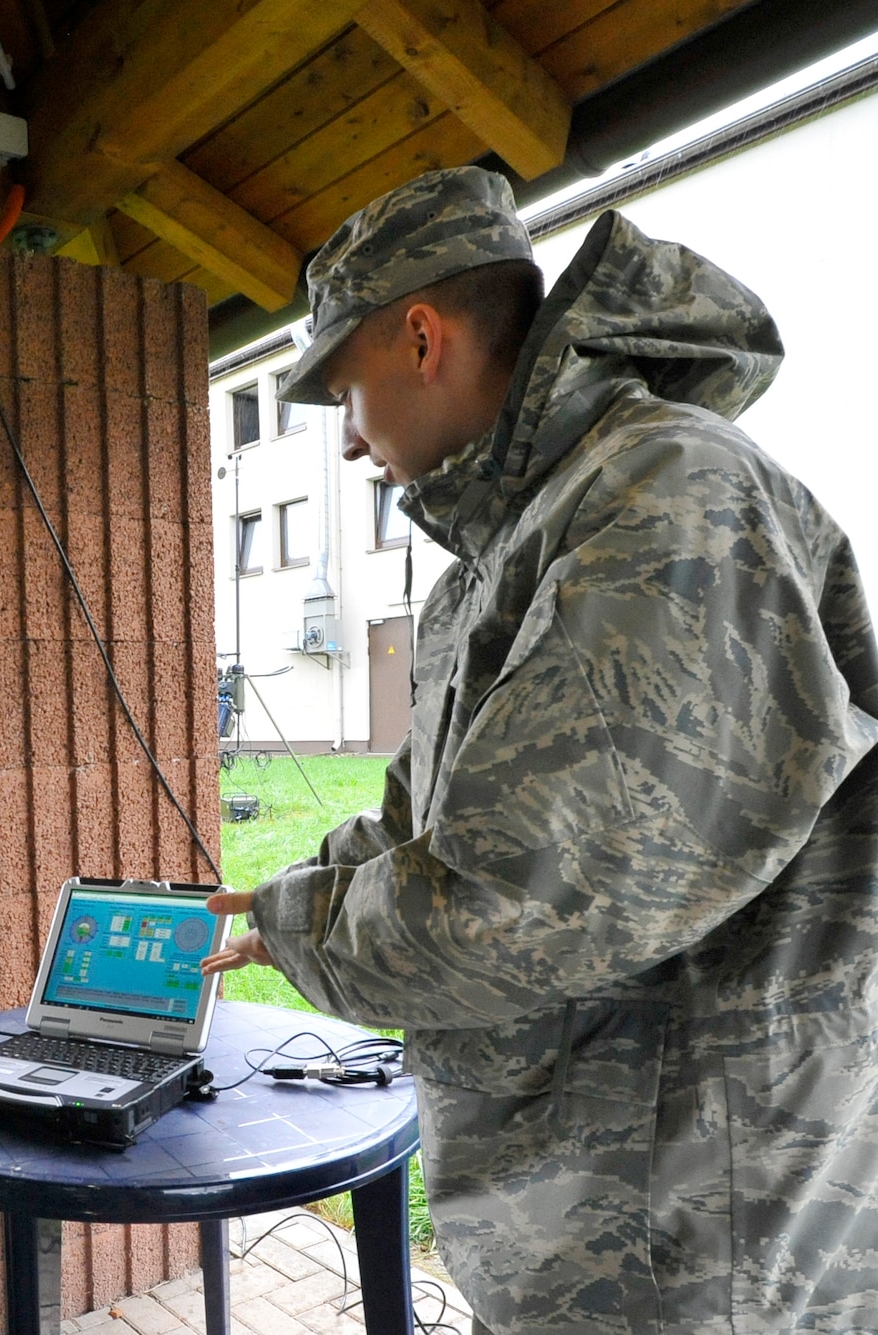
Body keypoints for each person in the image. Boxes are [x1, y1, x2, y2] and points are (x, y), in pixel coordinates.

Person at [201, 166, 878, 1334]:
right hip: (584, 1213)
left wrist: (310, 923)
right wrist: (274, 899)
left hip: (696, 1228)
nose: (351, 445)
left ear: (419, 336)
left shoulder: (666, 497)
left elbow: (524, 894)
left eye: (344, 394)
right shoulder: (509, 545)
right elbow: (433, 819)